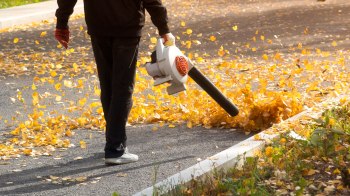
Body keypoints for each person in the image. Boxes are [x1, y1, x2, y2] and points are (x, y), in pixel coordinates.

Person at [54, 0, 175, 165]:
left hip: (98, 25)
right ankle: (115, 148)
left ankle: (113, 141)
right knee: (123, 87)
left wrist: (62, 22)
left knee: (109, 84)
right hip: (127, 25)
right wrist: (164, 28)